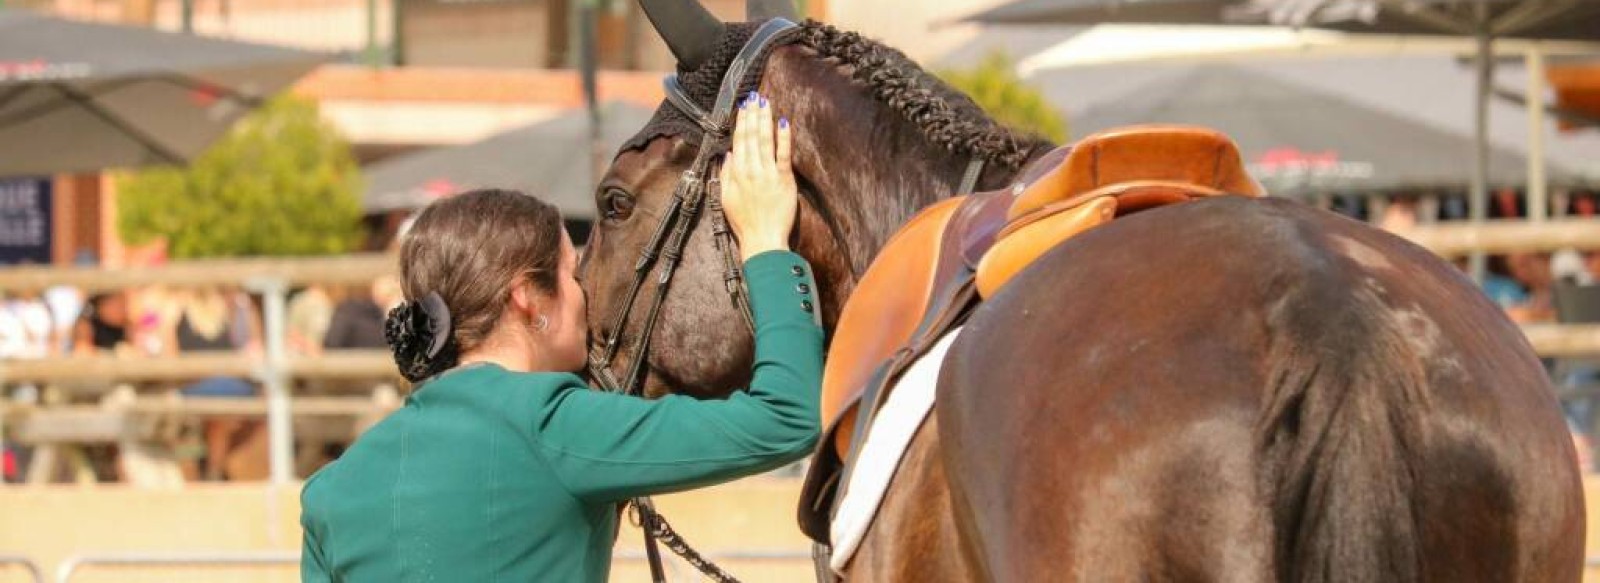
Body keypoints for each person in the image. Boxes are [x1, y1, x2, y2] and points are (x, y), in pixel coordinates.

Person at [300, 98, 822, 582]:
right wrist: (764, 241)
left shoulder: (331, 491)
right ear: (527, 296)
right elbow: (786, 419)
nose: (584, 294)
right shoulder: (556, 422)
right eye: (573, 274)